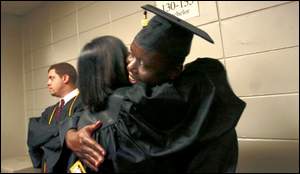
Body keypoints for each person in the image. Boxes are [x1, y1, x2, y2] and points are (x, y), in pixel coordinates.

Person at [65, 4, 246, 173]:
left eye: (144, 64)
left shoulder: (131, 114)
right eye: (131, 54)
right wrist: (69, 133)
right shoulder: (129, 107)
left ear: (174, 72)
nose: (130, 66)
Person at [27, 62, 84, 173]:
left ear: (65, 78)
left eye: (51, 78)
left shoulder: (85, 103)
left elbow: (79, 140)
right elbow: (33, 137)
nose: (47, 83)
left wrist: (46, 136)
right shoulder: (49, 111)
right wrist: (64, 131)